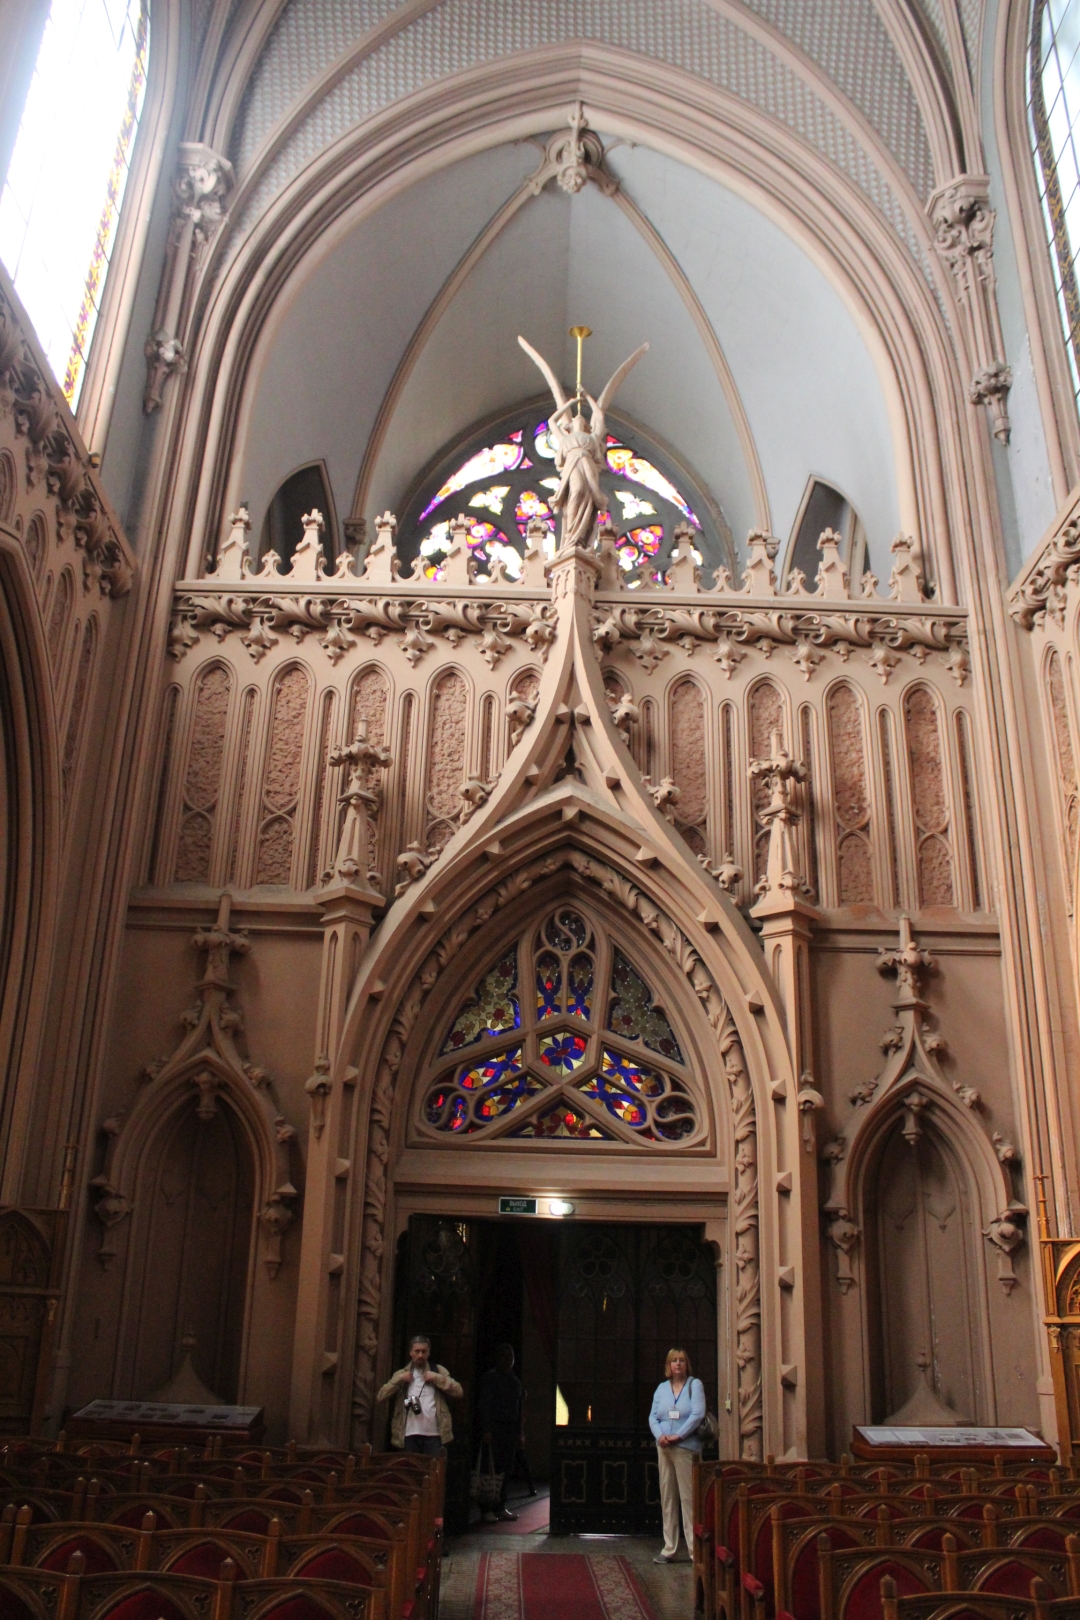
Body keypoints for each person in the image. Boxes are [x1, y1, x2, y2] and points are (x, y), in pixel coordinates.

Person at [648, 1346, 705, 1564]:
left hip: (686, 1448)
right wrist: (660, 1436)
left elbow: (697, 1414)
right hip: (664, 1448)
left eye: (681, 1360)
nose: (678, 1364)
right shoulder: (662, 1389)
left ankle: (694, 1550)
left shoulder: (694, 1385)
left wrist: (679, 1436)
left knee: (689, 1499)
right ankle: (669, 1547)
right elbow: (653, 1417)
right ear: (668, 1365)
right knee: (668, 1497)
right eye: (674, 1360)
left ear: (686, 1364)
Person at [377, 1333, 463, 1456]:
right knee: (410, 1467)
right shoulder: (401, 1374)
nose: (420, 1355)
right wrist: (399, 1379)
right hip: (408, 1434)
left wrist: (437, 1378)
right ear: (410, 1352)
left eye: (424, 1351)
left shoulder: (438, 1370)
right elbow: (381, 1396)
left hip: (435, 1434)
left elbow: (458, 1391)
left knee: (435, 1467)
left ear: (429, 1353)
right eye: (417, 1351)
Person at [476, 1342, 525, 1522]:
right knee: (490, 1469)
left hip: (510, 1429)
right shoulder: (490, 1379)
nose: (508, 1360)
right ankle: (486, 1508)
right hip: (495, 1427)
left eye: (511, 1356)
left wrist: (520, 1433)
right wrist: (486, 1429)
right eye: (504, 1356)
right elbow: (484, 1405)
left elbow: (519, 1409)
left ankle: (500, 1505)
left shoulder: (514, 1381)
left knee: (506, 1469)